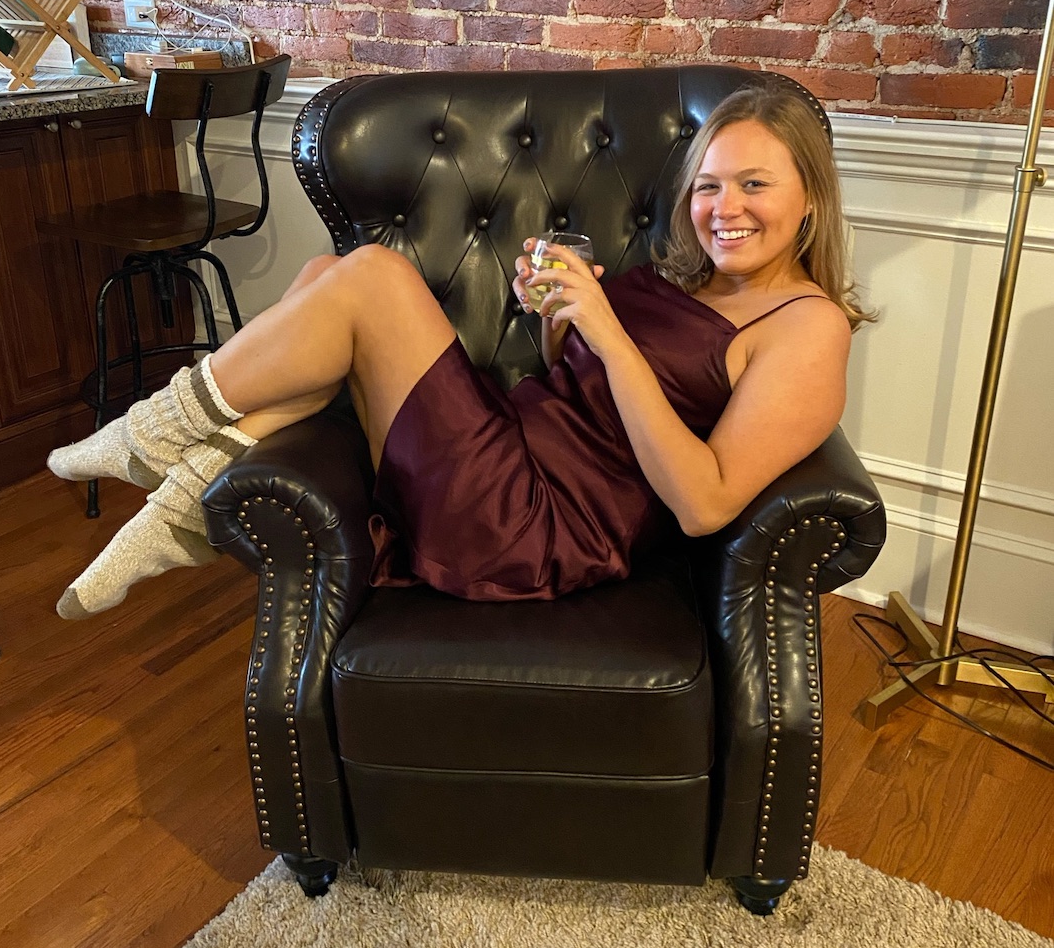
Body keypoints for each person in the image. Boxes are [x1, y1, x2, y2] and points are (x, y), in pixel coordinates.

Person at [47, 82, 872, 618]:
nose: (723, 208)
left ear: (808, 197)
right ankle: (186, 498)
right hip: (512, 445)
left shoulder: (806, 326)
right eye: (707, 185)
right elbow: (578, 393)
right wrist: (555, 319)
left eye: (754, 184)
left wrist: (611, 334)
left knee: (368, 278)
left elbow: (706, 502)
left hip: (538, 524)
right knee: (324, 271)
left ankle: (151, 439)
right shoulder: (693, 280)